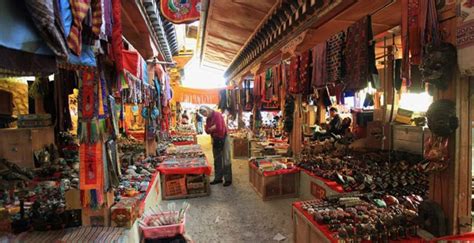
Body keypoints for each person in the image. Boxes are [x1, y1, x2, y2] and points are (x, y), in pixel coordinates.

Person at [199, 106, 232, 186]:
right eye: (203, 115)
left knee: (226, 158)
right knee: (217, 159)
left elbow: (220, 128)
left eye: (205, 113)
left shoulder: (217, 115)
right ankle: (218, 178)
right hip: (215, 139)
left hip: (223, 138)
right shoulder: (208, 119)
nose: (205, 115)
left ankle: (228, 179)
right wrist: (212, 128)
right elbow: (206, 131)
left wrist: (211, 129)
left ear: (208, 110)